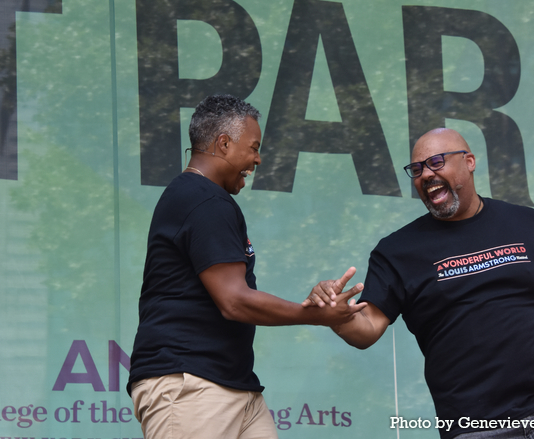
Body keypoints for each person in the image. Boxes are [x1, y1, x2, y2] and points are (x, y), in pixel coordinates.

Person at [304, 127, 534, 439]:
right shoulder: (398, 250)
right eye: (417, 169)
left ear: (468, 163)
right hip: (475, 424)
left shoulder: (526, 224)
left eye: (436, 162)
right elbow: (367, 327)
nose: (426, 174)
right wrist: (337, 317)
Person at [127, 94, 366, 439]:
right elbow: (234, 300)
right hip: (192, 385)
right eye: (253, 147)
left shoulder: (199, 198)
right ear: (223, 144)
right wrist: (315, 315)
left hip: (234, 386)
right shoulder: (204, 199)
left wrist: (313, 303)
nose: (257, 159)